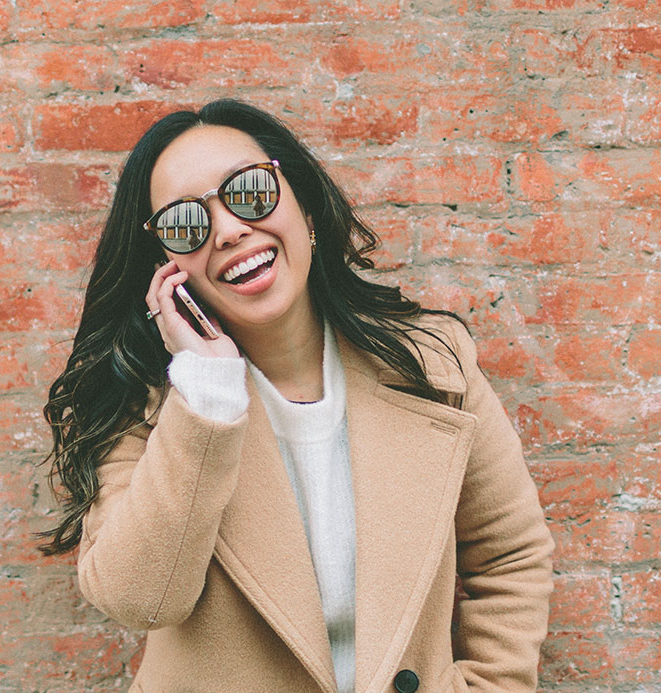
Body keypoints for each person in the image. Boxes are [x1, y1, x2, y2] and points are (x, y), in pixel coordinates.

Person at [37, 99, 554, 693]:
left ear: (302, 204)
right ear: (167, 266)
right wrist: (206, 396)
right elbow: (140, 599)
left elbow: (510, 557)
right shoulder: (144, 406)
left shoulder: (433, 365)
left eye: (250, 192)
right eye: (186, 224)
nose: (229, 230)